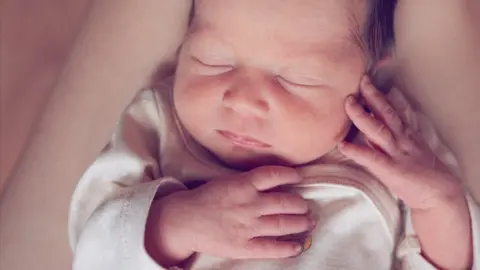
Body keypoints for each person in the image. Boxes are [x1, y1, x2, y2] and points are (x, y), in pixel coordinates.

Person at [68, 0, 478, 269]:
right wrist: (172, 226)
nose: (243, 101)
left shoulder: (389, 141)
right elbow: (93, 246)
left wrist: (436, 201)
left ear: (370, 70)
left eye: (295, 79)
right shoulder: (157, 125)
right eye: (213, 62)